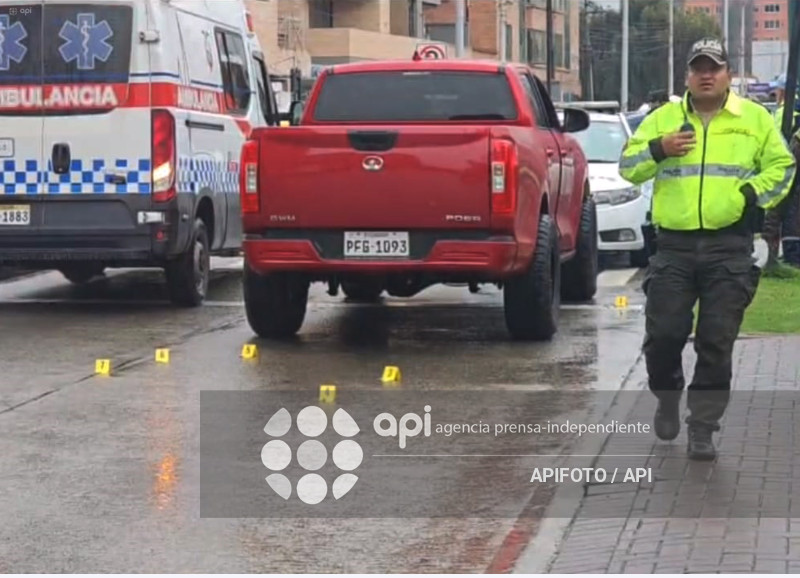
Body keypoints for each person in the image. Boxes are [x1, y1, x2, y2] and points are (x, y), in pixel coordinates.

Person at [618, 38, 796, 461]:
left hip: (728, 248)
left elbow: (783, 166)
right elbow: (628, 166)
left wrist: (751, 195)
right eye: (698, 67)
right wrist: (659, 149)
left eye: (714, 67)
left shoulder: (753, 118)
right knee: (663, 336)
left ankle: (703, 426)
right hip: (674, 248)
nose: (706, 74)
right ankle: (666, 396)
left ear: (727, 74)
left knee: (716, 342)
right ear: (687, 76)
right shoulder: (663, 119)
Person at [763, 74, 800, 267]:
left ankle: (780, 256)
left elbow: (778, 144)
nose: (775, 93)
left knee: (781, 207)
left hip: (789, 158)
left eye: (777, 90)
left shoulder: (785, 111)